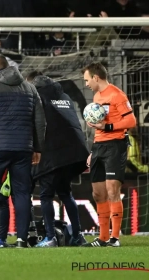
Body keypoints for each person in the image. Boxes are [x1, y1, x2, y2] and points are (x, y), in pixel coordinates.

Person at [0, 54, 46, 248]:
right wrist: (37, 148)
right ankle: (22, 239)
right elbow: (40, 121)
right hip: (23, 148)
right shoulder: (30, 88)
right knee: (21, 193)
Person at [26, 72, 89, 247]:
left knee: (46, 195)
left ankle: (50, 238)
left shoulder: (36, 96)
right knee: (65, 193)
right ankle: (77, 236)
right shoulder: (63, 95)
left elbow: (36, 124)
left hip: (53, 153)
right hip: (75, 152)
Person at [81, 62, 136, 247]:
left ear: (96, 77)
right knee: (98, 194)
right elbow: (99, 127)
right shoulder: (97, 96)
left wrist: (108, 126)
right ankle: (102, 238)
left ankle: (114, 238)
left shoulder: (117, 95)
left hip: (115, 146)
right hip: (99, 146)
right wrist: (93, 150)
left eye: (87, 80)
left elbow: (131, 120)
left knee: (113, 191)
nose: (86, 83)